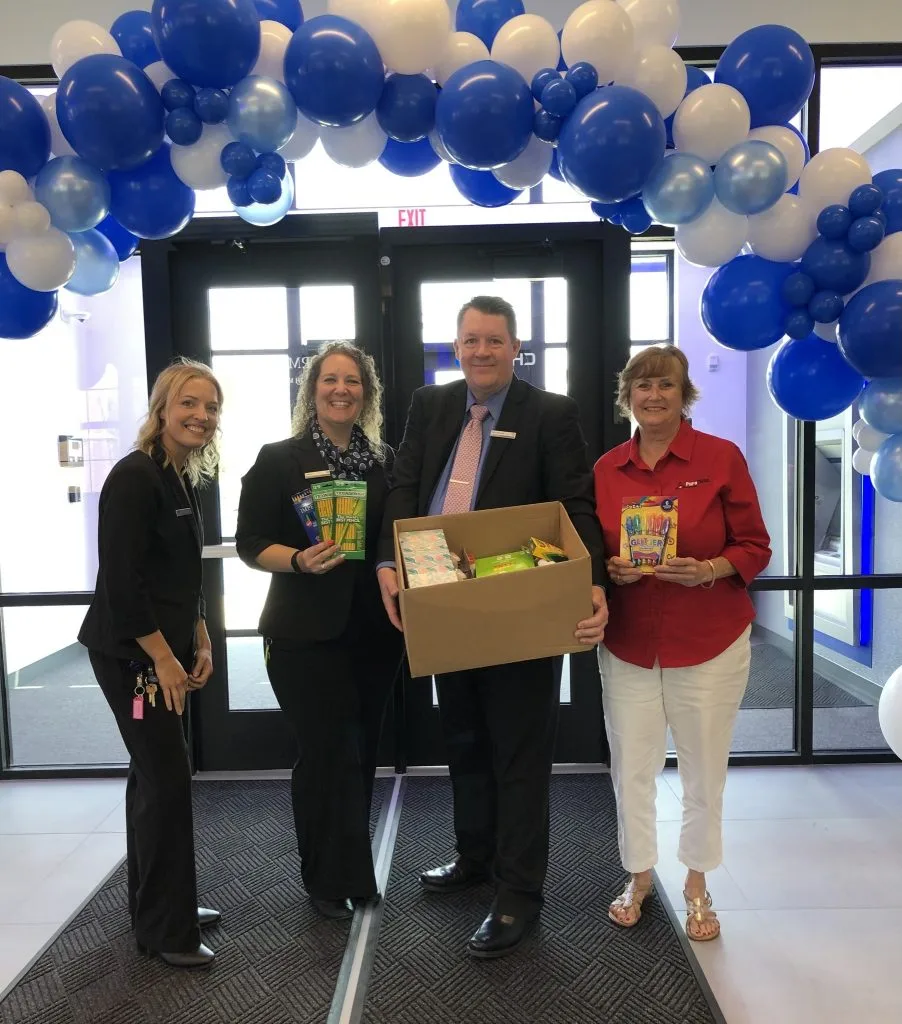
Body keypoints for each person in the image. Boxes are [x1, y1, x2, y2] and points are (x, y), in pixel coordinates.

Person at [377, 295, 609, 959]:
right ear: (457, 347)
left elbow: (576, 504)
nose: (481, 351)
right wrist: (390, 561)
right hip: (443, 606)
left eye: (494, 341)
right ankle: (474, 859)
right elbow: (403, 483)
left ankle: (518, 896)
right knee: (465, 740)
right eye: (470, 340)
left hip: (520, 614)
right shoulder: (432, 406)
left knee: (518, 754)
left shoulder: (551, 414)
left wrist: (591, 580)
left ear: (515, 348)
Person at [594, 344, 771, 942]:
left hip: (710, 641)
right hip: (629, 644)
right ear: (628, 396)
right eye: (642, 385)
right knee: (631, 769)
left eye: (665, 384)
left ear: (684, 393)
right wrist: (610, 570)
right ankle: (639, 875)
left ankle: (697, 880)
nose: (653, 395)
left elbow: (755, 545)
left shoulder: (721, 459)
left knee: (703, 771)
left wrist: (710, 568)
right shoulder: (607, 469)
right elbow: (594, 552)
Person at [236, 341, 402, 920]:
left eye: (352, 381)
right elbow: (250, 543)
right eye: (329, 380)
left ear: (366, 393)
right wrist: (299, 559)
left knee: (362, 753)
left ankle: (351, 866)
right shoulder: (278, 458)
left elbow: (399, 535)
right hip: (304, 635)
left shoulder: (386, 462)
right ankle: (330, 878)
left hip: (377, 634)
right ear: (312, 392)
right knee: (325, 752)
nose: (341, 389)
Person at [78, 358, 223, 969]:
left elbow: (177, 575)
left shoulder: (178, 475)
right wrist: (165, 658)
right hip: (132, 655)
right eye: (189, 403)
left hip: (163, 648)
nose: (201, 416)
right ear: (161, 408)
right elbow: (123, 581)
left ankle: (159, 904)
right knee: (167, 779)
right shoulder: (134, 476)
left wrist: (201, 636)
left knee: (154, 776)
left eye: (211, 408)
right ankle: (168, 930)